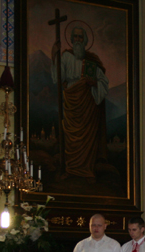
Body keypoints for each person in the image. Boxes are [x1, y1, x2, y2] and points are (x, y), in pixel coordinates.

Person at [52, 26, 110, 181]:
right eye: (75, 37)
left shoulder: (92, 60)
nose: (77, 40)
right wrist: (54, 55)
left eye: (80, 37)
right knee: (71, 138)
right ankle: (70, 169)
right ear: (71, 40)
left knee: (86, 140)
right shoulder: (66, 56)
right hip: (72, 101)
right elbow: (58, 77)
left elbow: (103, 82)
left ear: (85, 40)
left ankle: (86, 171)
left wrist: (94, 83)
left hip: (88, 105)